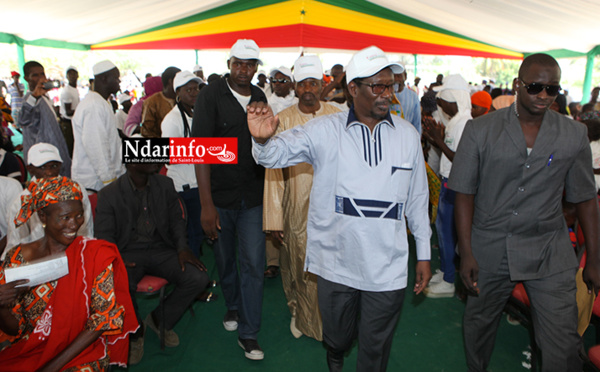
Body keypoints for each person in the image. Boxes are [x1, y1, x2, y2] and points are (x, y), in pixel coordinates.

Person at [249, 45, 431, 371]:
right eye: (378, 86)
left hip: (387, 265)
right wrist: (261, 140)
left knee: (375, 349)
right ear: (353, 89)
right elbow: (273, 156)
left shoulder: (407, 135)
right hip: (336, 260)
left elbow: (417, 200)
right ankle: (335, 354)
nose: (387, 94)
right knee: (337, 338)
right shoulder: (324, 131)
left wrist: (424, 253)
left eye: (391, 86)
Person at [450, 53, 600, 371]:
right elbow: (463, 193)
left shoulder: (573, 134)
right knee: (479, 327)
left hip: (548, 248)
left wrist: (596, 260)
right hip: (489, 246)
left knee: (561, 338)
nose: (544, 96)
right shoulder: (480, 130)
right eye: (535, 87)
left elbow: (585, 198)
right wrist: (466, 251)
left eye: (552, 90)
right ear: (518, 84)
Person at [0, 176, 137, 371]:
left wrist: (52, 367)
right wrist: (2, 307)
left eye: (79, 215)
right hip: (33, 348)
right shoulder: (16, 259)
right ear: (43, 217)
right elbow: (16, 329)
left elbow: (101, 320)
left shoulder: (94, 255)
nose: (74, 225)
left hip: (81, 352)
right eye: (65, 217)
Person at [192, 38, 267, 361]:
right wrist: (206, 205)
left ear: (255, 68)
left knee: (253, 262)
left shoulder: (261, 96)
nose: (243, 70)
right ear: (229, 64)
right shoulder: (210, 96)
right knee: (224, 260)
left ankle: (249, 333)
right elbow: (200, 152)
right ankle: (233, 305)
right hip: (219, 197)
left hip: (252, 196)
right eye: (238, 63)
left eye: (249, 65)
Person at [94, 162, 209, 364]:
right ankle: (136, 333)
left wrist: (183, 248)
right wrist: (117, 260)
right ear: (130, 163)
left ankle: (159, 320)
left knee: (198, 277)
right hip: (128, 254)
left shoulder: (164, 184)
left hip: (161, 248)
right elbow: (104, 237)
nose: (153, 159)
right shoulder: (108, 194)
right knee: (119, 284)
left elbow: (176, 220)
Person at [263, 55, 341, 341]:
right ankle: (296, 308)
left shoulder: (338, 115)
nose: (308, 88)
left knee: (330, 261)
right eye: (303, 83)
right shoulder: (282, 120)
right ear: (295, 87)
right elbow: (272, 170)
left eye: (314, 83)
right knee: (296, 258)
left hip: (333, 205)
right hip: (295, 200)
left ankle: (325, 314)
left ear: (322, 85)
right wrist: (274, 216)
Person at [422, 74, 472, 298]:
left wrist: (439, 141)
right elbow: (448, 153)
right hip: (448, 180)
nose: (440, 102)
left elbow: (461, 159)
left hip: (455, 184)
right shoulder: (455, 121)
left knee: (448, 232)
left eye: (443, 98)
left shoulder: (464, 124)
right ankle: (445, 270)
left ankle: (450, 280)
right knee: (443, 232)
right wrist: (434, 139)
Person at [4, 143, 93, 259]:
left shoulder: (77, 190)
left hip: (75, 254)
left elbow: (86, 229)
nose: (49, 172)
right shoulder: (22, 202)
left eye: (54, 166)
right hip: (39, 261)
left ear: (61, 165)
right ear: (30, 169)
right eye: (42, 167)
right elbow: (17, 242)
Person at [161, 71, 205, 257]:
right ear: (178, 92)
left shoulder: (197, 114)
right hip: (184, 187)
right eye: (189, 89)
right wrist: (203, 150)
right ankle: (193, 280)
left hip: (199, 184)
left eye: (196, 88)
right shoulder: (172, 120)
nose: (194, 93)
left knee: (199, 233)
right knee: (191, 234)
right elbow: (169, 156)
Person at [71, 60, 124, 192]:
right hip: (95, 181)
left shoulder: (102, 102)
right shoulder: (94, 105)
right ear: (104, 78)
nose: (119, 82)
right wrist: (110, 181)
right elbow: (97, 147)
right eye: (116, 78)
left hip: (102, 179)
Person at [19, 61, 72, 178]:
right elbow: (23, 120)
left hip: (55, 155)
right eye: (35, 75)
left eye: (42, 74)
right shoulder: (30, 98)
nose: (40, 78)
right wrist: (35, 96)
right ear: (26, 78)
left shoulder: (43, 97)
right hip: (44, 162)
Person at [141, 66, 180, 138]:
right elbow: (146, 131)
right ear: (171, 81)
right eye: (179, 80)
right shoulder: (151, 102)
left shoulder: (182, 99)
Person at [390, 69, 422, 135]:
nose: (396, 79)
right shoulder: (385, 95)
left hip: (407, 135)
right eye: (393, 76)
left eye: (399, 76)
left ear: (405, 77)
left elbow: (417, 121)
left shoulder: (413, 96)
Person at [59, 66, 80, 156]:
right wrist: (81, 109)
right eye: (70, 74)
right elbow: (68, 111)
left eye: (74, 74)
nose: (72, 76)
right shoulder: (67, 91)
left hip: (73, 121)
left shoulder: (74, 89)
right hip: (68, 123)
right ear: (67, 77)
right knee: (70, 148)